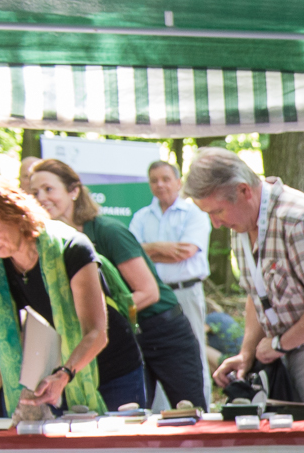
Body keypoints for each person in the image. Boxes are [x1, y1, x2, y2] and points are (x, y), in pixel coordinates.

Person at [0, 171, 146, 414]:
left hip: (113, 370)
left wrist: (65, 373)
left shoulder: (72, 248)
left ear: (16, 216)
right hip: (56, 375)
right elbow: (12, 338)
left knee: (116, 440)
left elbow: (96, 332)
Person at [188, 148, 304, 403]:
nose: (215, 223)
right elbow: (258, 296)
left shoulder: (300, 219)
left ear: (244, 191)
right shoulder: (243, 225)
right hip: (290, 351)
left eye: (217, 211)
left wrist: (280, 343)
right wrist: (247, 353)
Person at [29, 159, 207, 409]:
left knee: (190, 410)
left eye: (48, 189)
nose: (41, 198)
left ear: (74, 191)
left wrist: (95, 320)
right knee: (133, 416)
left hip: (162, 330)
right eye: (34, 192)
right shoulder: (50, 243)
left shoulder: (107, 231)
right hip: (122, 339)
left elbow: (149, 293)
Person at [130, 159, 213, 335]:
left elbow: (185, 252)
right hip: (153, 294)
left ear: (178, 183)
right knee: (156, 344)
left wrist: (147, 253)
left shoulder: (195, 214)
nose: (160, 184)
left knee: (192, 344)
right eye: (154, 180)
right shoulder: (141, 217)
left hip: (186, 292)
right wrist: (159, 246)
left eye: (165, 179)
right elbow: (130, 253)